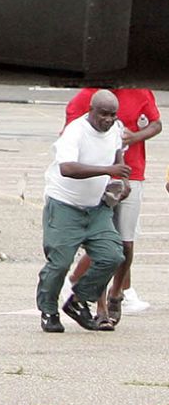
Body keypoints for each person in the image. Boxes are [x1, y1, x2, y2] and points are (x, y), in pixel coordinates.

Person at [61, 86, 159, 319]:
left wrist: (134, 137)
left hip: (131, 174)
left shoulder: (141, 92)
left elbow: (156, 123)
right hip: (99, 178)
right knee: (103, 245)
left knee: (125, 243)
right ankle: (100, 304)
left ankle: (118, 293)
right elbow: (69, 137)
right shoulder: (87, 96)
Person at [36, 90, 128, 333]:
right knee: (60, 262)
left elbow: (118, 159)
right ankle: (48, 310)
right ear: (91, 111)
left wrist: (120, 184)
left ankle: (78, 301)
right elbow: (67, 168)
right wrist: (108, 168)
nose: (108, 120)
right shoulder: (75, 131)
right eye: (103, 114)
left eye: (112, 115)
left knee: (112, 255)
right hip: (65, 204)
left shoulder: (116, 129)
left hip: (97, 207)